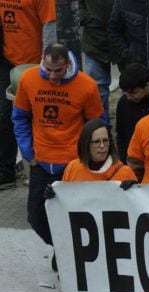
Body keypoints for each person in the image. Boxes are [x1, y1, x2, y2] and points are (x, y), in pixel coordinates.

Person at [56, 120, 143, 292]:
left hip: (117, 247)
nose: (102, 146)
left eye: (106, 141)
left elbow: (137, 210)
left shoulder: (123, 171)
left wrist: (132, 191)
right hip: (88, 249)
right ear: (86, 144)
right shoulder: (73, 168)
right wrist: (53, 195)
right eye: (97, 142)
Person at [15, 43, 106, 261]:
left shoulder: (87, 86)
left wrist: (87, 160)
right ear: (42, 62)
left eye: (58, 70)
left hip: (73, 165)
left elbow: (98, 126)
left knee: (75, 217)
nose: (53, 76)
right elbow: (19, 118)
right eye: (48, 70)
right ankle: (66, 249)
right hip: (40, 162)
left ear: (68, 64)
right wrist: (28, 152)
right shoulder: (28, 80)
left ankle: (71, 257)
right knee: (35, 218)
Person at [0, 0, 55, 190]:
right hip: (6, 60)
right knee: (4, 115)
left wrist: (46, 66)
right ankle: (6, 172)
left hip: (33, 64)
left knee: (34, 118)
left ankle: (38, 168)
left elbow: (49, 26)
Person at [78, 0, 114, 117]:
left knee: (132, 86)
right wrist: (89, 19)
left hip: (122, 38)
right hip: (94, 41)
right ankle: (101, 124)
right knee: (98, 88)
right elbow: (75, 7)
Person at [115, 64, 149, 162]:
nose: (128, 97)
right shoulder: (124, 102)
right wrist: (124, 159)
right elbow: (120, 134)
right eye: (126, 93)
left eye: (134, 93)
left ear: (147, 85)